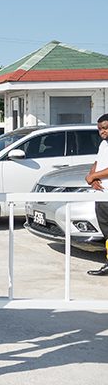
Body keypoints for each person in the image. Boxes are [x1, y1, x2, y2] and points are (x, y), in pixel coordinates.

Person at [85, 114, 108, 276]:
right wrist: (92, 177)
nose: (102, 132)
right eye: (100, 129)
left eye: (105, 128)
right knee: (107, 234)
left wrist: (93, 177)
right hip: (101, 195)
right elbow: (97, 162)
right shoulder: (103, 145)